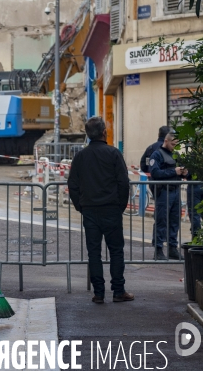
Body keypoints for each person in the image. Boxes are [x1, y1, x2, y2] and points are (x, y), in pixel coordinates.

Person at [68, 116, 133, 304]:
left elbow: (72, 184)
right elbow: (123, 182)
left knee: (94, 253)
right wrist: (120, 205)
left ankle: (99, 293)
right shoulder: (113, 154)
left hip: (89, 210)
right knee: (116, 251)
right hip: (111, 209)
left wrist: (80, 206)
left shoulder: (80, 156)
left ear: (88, 135)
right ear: (104, 132)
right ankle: (118, 290)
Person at [149, 132, 187, 261]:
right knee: (162, 221)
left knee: (174, 221)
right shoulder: (157, 154)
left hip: (175, 191)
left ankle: (172, 248)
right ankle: (158, 250)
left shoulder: (175, 154)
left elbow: (177, 171)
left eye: (176, 144)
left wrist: (183, 172)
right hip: (164, 192)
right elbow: (155, 172)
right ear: (166, 140)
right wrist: (174, 171)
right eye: (172, 144)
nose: (174, 146)